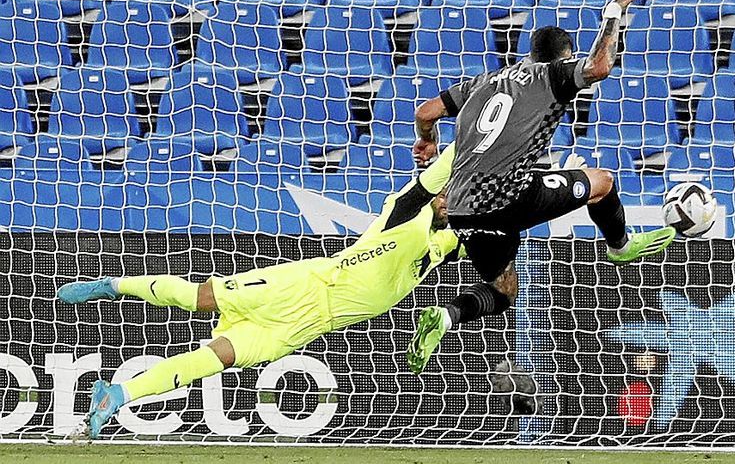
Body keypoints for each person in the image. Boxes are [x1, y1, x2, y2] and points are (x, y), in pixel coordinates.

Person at [57, 147, 461, 439]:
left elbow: (486, 237)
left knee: (213, 359)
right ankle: (112, 286)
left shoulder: (441, 245)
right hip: (300, 285)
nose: (447, 201)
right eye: (446, 193)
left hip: (307, 326)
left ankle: (117, 396)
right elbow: (433, 177)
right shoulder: (404, 213)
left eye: (455, 198)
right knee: (198, 298)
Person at [406, 0, 676, 374]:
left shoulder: (483, 80)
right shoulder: (552, 76)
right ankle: (620, 247)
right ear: (564, 56)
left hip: (462, 208)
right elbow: (600, 66)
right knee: (602, 183)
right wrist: (615, 10)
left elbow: (425, 112)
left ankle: (445, 317)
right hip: (507, 197)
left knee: (503, 290)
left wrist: (427, 142)